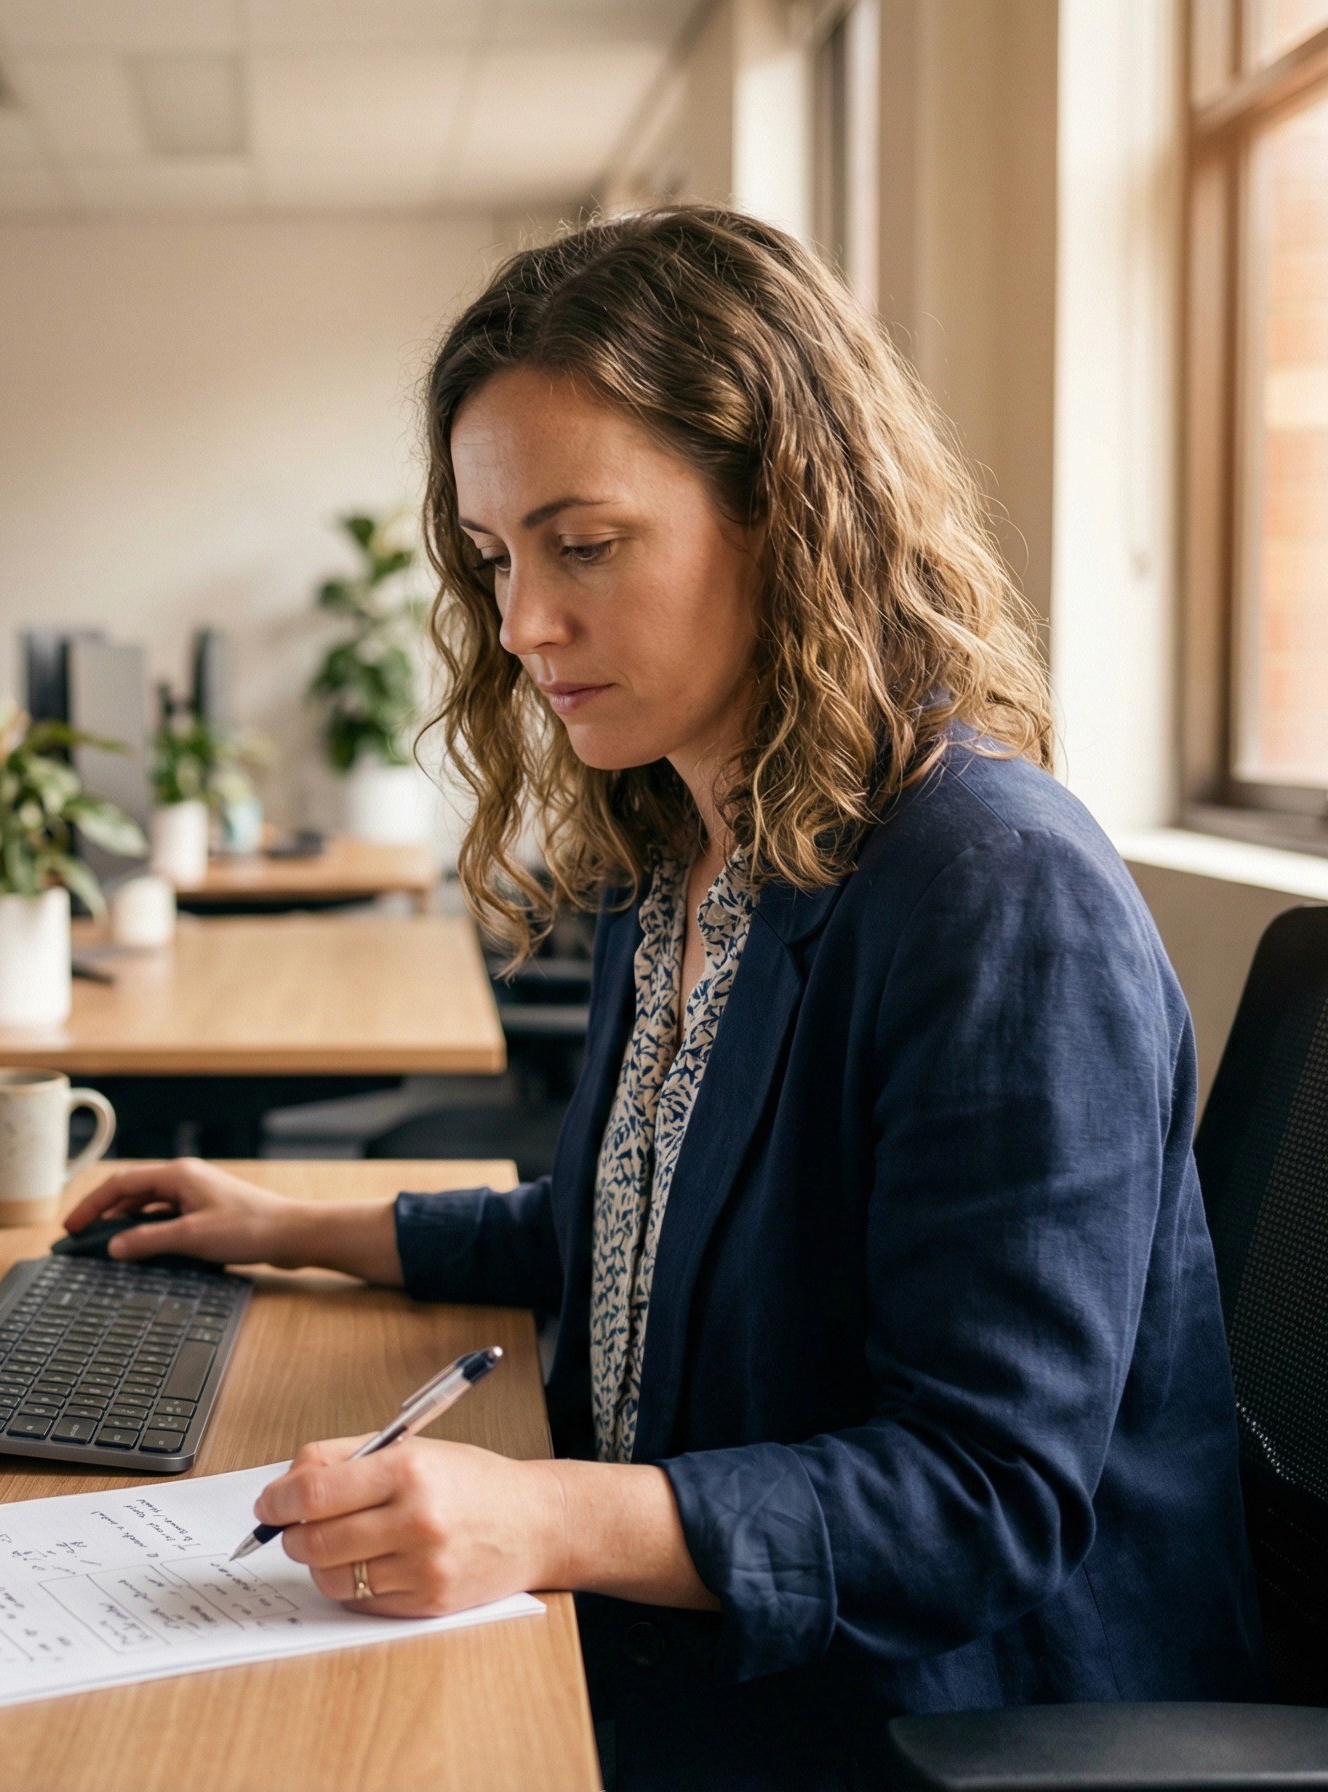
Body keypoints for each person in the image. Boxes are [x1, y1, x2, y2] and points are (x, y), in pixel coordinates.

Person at [66, 206, 1261, 1789]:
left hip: (939, 1721)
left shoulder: (995, 893)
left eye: (584, 545)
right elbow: (633, 1231)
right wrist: (290, 1224)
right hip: (698, 1645)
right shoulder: (695, 849)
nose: (523, 625)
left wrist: (543, 1514)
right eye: (496, 560)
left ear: (788, 512)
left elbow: (983, 1495)